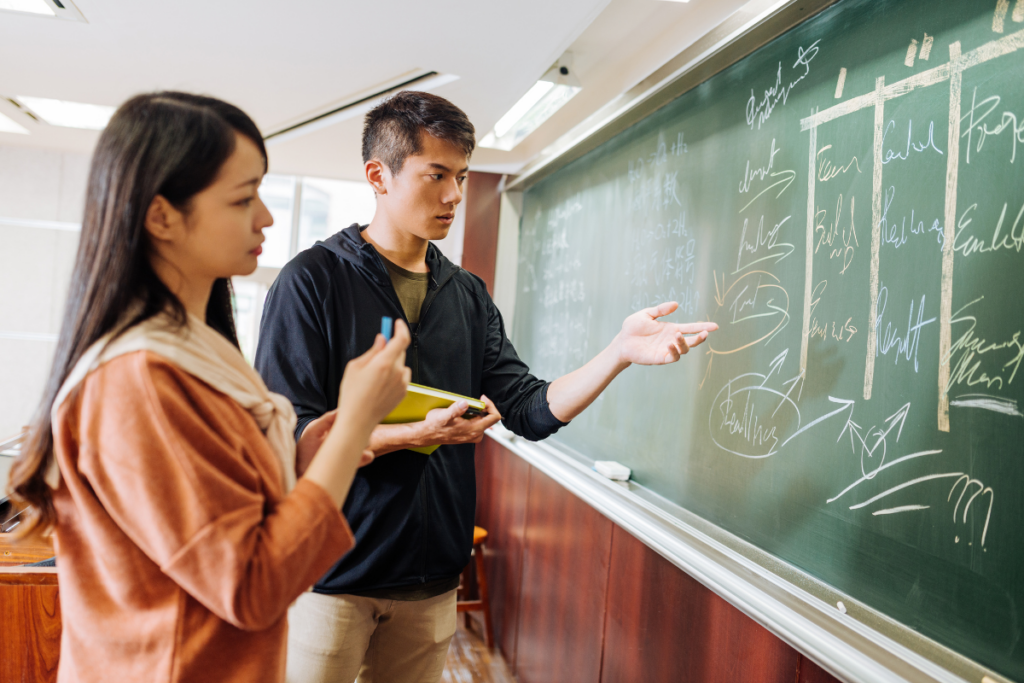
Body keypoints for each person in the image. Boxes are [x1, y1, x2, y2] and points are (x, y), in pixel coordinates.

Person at [255, 90, 718, 683]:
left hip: (431, 586)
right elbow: (290, 439)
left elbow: (530, 409)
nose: (454, 196)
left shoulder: (467, 294)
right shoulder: (311, 281)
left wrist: (618, 353)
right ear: (379, 175)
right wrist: (415, 433)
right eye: (436, 175)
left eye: (463, 176)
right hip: (329, 581)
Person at [5, 92, 411, 683]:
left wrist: (299, 459)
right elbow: (251, 586)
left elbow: (217, 515)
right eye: (243, 197)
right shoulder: (140, 379)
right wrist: (353, 426)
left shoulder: (197, 347)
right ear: (162, 216)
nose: (266, 218)